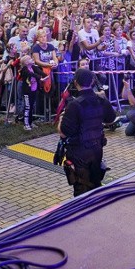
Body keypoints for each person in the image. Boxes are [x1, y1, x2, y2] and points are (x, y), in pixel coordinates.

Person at [58, 68, 116, 196]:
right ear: (93, 82)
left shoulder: (74, 105)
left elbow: (64, 132)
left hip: (79, 153)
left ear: (76, 82)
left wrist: (61, 118)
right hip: (97, 149)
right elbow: (111, 119)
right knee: (95, 184)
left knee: (81, 189)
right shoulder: (101, 100)